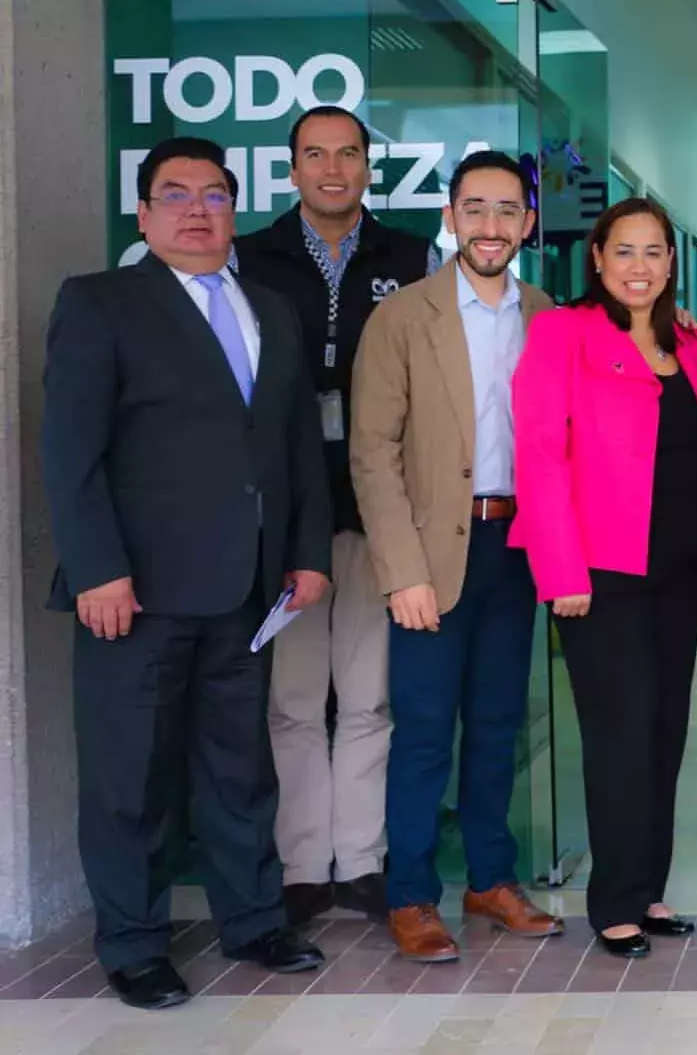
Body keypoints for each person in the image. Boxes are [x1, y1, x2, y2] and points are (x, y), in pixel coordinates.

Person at [41, 137, 331, 1009]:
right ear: (143, 214)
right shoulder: (101, 304)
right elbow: (70, 451)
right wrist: (97, 569)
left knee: (239, 766)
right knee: (132, 775)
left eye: (213, 195)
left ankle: (253, 920)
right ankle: (133, 945)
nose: (197, 210)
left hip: (248, 588)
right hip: (136, 592)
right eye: (175, 195)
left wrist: (308, 554)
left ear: (233, 209)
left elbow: (294, 451)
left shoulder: (270, 309)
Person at [233, 105, 442, 926]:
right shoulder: (250, 257)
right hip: (283, 513)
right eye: (314, 155)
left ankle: (358, 861)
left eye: (347, 154)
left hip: (375, 506)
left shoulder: (412, 258)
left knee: (366, 696)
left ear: (367, 166)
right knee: (289, 700)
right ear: (290, 170)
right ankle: (300, 866)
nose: (331, 168)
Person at [350, 150, 561, 962]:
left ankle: (490, 878)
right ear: (450, 216)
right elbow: (373, 454)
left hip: (518, 548)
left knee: (501, 724)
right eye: (475, 208)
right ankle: (410, 893)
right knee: (426, 730)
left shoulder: (546, 315)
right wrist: (402, 571)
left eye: (508, 210)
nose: (491, 226)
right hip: (433, 554)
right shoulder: (404, 317)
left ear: (527, 225)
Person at [511, 197, 697, 959]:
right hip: (599, 570)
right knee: (618, 731)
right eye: (624, 251)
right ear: (597, 258)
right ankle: (613, 903)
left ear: (671, 264)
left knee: (666, 729)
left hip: (684, 566)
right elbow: (537, 456)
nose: (640, 266)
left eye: (654, 252)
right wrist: (558, 567)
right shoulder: (562, 333)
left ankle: (649, 888)